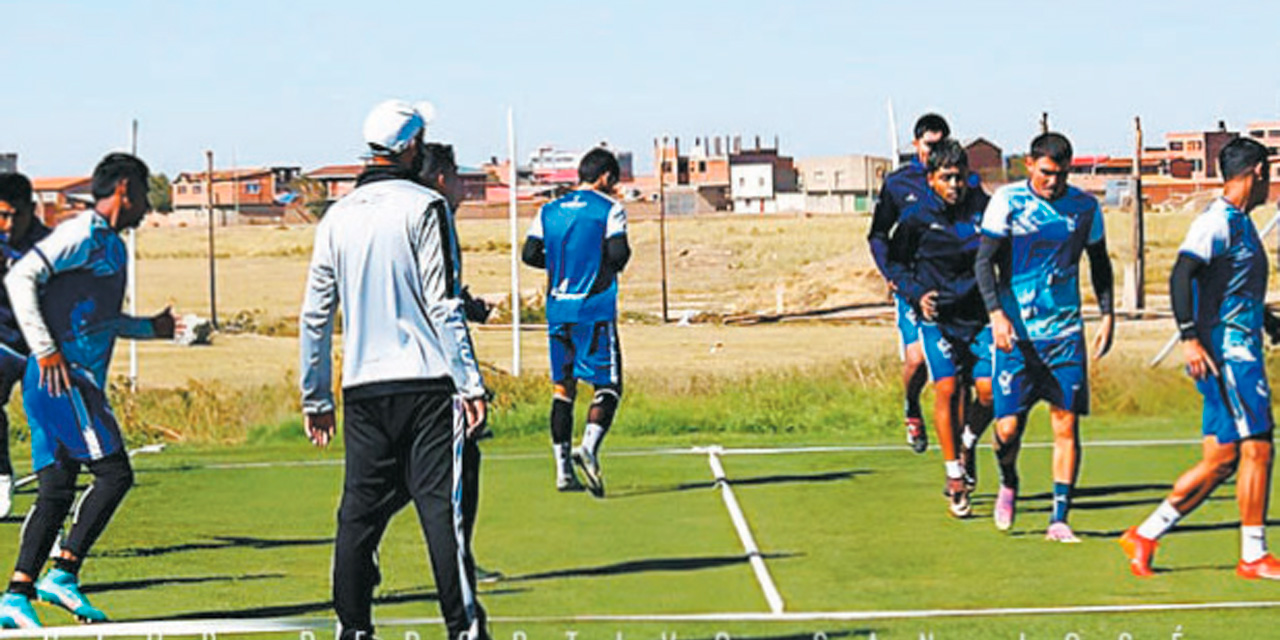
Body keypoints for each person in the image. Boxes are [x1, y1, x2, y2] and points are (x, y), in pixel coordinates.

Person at [299, 99, 490, 640]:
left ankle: (353, 626)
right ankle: (463, 627)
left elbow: (316, 314)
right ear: (410, 148)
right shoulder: (425, 207)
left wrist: (316, 397)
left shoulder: (336, 217)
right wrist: (471, 382)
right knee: (441, 513)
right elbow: (444, 304)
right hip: (429, 385)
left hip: (362, 388)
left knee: (357, 515)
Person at [0, 153, 176, 628]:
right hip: (63, 379)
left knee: (56, 490)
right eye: (143, 194)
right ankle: (63, 573)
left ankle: (16, 595)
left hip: (57, 382)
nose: (147, 205)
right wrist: (45, 350)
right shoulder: (83, 234)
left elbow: (100, 321)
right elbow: (19, 278)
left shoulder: (112, 247)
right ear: (123, 189)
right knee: (114, 474)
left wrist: (151, 329)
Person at [1120, 137, 1280, 579]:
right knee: (1259, 447)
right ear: (1258, 173)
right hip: (1229, 357)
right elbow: (1182, 273)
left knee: (1222, 459)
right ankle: (1253, 555)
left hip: (1237, 348)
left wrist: (1265, 319)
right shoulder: (1217, 221)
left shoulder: (1242, 223)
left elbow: (1225, 287)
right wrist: (1189, 337)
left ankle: (1146, 535)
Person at [975, 132, 1115, 542]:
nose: (1053, 181)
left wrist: (1107, 315)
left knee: (1065, 425)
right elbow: (984, 263)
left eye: (1062, 174)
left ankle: (1059, 518)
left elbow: (1100, 263)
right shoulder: (1008, 201)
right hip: (1016, 337)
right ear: (1031, 166)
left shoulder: (1085, 208)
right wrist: (996, 315)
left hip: (1065, 333)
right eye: (1047, 172)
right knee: (1006, 430)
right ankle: (1008, 480)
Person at [884, 139, 994, 517]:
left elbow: (1003, 254)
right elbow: (896, 267)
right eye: (946, 178)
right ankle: (953, 474)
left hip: (978, 316)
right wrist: (917, 294)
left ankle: (967, 441)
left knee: (990, 393)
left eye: (960, 178)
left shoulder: (984, 208)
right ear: (930, 180)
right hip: (937, 319)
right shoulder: (915, 220)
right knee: (946, 387)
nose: (954, 185)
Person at [522, 147, 630, 497]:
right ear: (606, 178)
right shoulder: (610, 209)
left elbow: (529, 254)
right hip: (593, 311)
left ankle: (562, 471)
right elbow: (617, 254)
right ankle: (589, 447)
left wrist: (561, 265)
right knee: (608, 386)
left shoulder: (547, 210)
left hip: (558, 311)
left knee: (563, 388)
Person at [417, 141, 501, 583]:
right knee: (457, 465)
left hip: (402, 372)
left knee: (400, 478)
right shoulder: (434, 216)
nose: (466, 188)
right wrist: (470, 384)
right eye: (460, 178)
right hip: (433, 371)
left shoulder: (412, 217)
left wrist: (471, 304)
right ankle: (458, 565)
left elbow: (442, 292)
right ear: (441, 179)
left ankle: (360, 558)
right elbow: (439, 303)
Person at [868, 113, 950, 454]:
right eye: (930, 145)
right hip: (912, 286)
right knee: (916, 360)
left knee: (954, 375)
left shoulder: (962, 181)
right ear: (916, 144)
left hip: (949, 286)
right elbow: (877, 234)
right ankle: (912, 407)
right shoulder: (899, 184)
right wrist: (891, 274)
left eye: (941, 144)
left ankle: (960, 451)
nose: (935, 151)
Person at [0, 173, 51, 519]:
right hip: (2, 344)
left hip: (43, 350)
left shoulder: (53, 246)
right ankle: (2, 473)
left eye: (16, 215)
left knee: (49, 427)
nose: (9, 224)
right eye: (1, 215)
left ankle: (51, 512)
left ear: (32, 210)